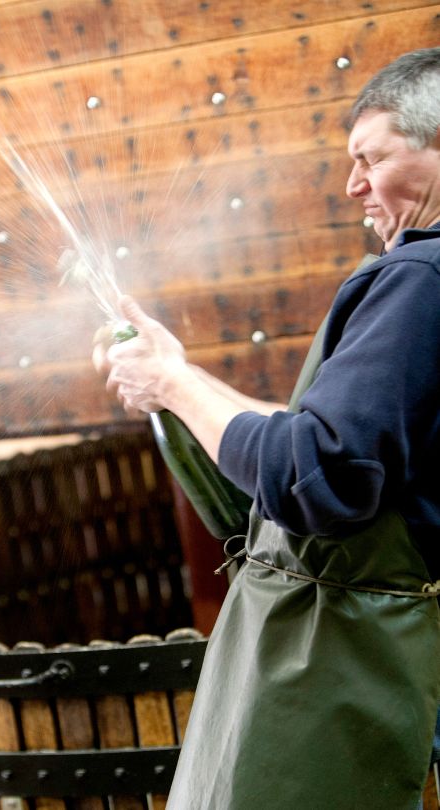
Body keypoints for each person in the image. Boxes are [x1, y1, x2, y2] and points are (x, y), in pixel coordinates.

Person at [93, 48, 440, 809]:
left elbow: (315, 476)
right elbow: (335, 443)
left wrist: (176, 384)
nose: (352, 186)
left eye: (369, 158)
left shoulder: (419, 278)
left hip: (344, 661)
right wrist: (177, 381)